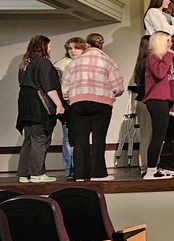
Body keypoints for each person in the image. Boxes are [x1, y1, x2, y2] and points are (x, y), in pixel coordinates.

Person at [62, 33, 125, 181]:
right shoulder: (108, 61)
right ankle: (98, 173)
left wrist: (71, 97)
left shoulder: (74, 63)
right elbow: (118, 86)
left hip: (78, 102)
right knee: (99, 137)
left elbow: (65, 86)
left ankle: (79, 174)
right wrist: (112, 94)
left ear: (87, 45)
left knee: (80, 138)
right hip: (101, 103)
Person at [16, 35, 65, 183]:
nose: (50, 48)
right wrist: (59, 104)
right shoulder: (43, 63)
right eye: (48, 45)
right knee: (40, 138)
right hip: (39, 106)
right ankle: (37, 173)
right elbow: (48, 87)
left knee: (29, 139)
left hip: (25, 105)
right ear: (43, 46)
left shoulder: (25, 63)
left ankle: (24, 174)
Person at [141, 31, 174, 179]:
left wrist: (172, 105)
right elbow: (159, 73)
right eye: (168, 40)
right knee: (158, 135)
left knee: (162, 134)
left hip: (165, 100)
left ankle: (154, 168)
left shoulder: (165, 59)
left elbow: (171, 82)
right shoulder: (153, 56)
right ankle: (150, 170)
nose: (171, 43)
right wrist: (169, 55)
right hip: (156, 99)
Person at [54, 37, 86, 178]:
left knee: (81, 137)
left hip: (82, 103)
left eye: (76, 48)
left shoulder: (87, 62)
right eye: (70, 48)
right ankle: (70, 170)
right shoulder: (60, 65)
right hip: (67, 106)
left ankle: (81, 168)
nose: (73, 51)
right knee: (68, 137)